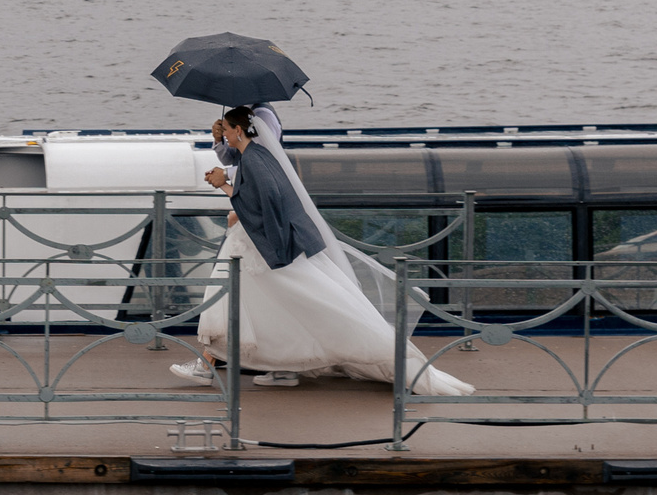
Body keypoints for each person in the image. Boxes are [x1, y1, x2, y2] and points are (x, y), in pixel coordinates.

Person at [169, 104, 474, 396]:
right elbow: (264, 198)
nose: (225, 133)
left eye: (227, 129)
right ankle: (274, 369)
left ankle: (210, 365)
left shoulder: (254, 160)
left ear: (238, 130)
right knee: (272, 304)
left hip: (261, 249)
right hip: (261, 245)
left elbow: (264, 203)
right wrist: (230, 184)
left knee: (237, 300)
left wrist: (226, 188)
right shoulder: (259, 156)